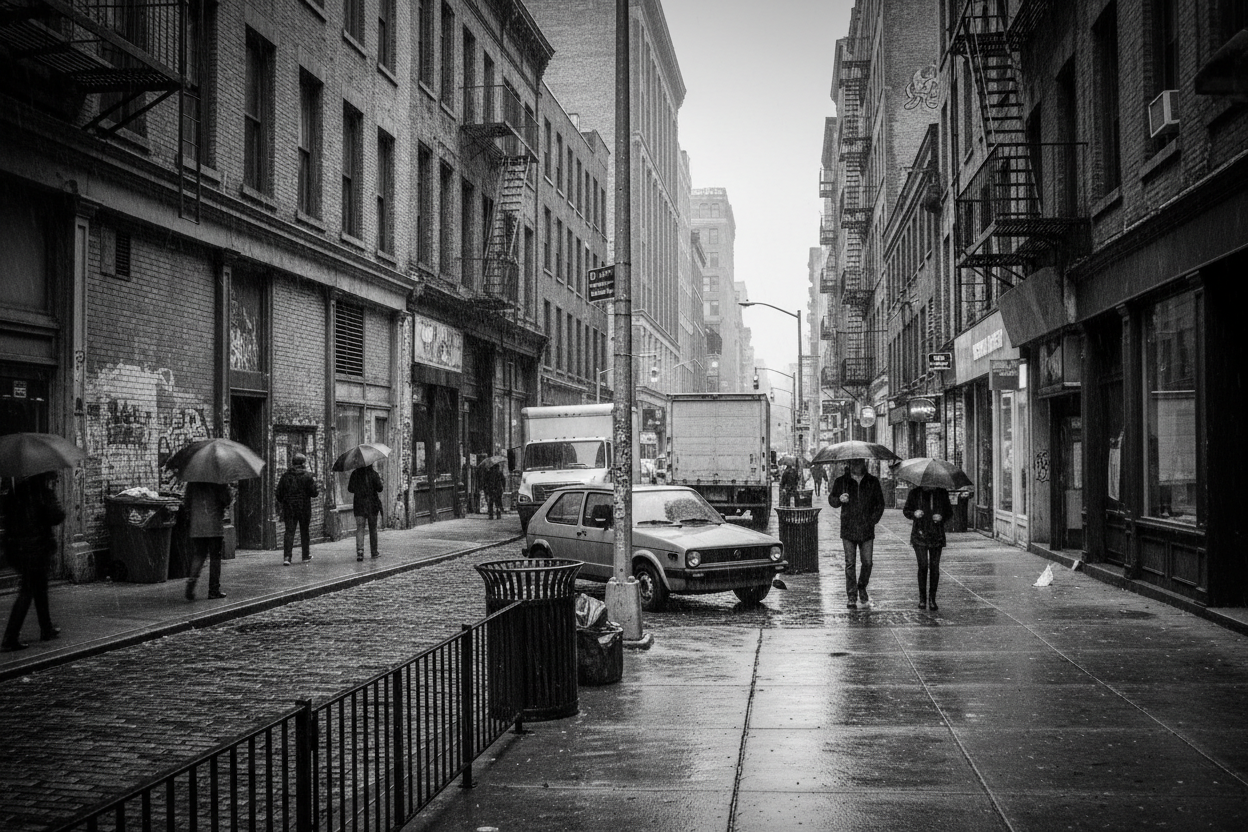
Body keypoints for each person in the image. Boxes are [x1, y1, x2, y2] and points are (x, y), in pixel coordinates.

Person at [2, 472, 66, 651]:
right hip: (35, 548)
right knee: (29, 589)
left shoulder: (16, 493)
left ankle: (46, 628)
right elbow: (56, 516)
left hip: (16, 548)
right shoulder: (42, 493)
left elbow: (8, 516)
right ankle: (10, 638)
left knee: (40, 587)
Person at [830, 458, 885, 609]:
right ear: (849, 464)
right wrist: (839, 499)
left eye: (859, 463)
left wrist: (872, 520)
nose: (857, 466)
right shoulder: (842, 481)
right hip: (848, 527)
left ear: (863, 464)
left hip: (867, 529)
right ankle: (852, 595)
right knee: (850, 563)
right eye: (854, 463)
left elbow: (880, 504)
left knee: (867, 562)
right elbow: (832, 499)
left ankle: (862, 585)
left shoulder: (872, 481)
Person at [903, 485, 953, 610]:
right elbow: (906, 510)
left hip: (936, 535)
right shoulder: (915, 493)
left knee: (934, 567)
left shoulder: (942, 493)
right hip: (920, 534)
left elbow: (949, 512)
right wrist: (914, 513)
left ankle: (932, 599)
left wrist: (941, 517)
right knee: (923, 565)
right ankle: (922, 599)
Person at [184, 481, 232, 601]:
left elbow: (187, 502)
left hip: (197, 525)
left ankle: (191, 582)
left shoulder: (193, 481)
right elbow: (226, 500)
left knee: (199, 554)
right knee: (215, 557)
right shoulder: (219, 481)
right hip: (214, 524)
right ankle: (213, 590)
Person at [275, 453, 319, 565]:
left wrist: (285, 501)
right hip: (304, 508)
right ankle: (305, 556)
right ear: (303, 463)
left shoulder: (285, 476)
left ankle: (287, 557)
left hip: (289, 508)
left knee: (289, 531)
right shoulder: (307, 476)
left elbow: (278, 493)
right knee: (305, 531)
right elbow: (314, 493)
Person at [348, 463, 383, 561]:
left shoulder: (355, 474)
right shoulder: (374, 474)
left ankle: (360, 552)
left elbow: (350, 489)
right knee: (373, 528)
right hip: (372, 505)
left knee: (360, 528)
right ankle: (374, 552)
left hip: (359, 504)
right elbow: (380, 488)